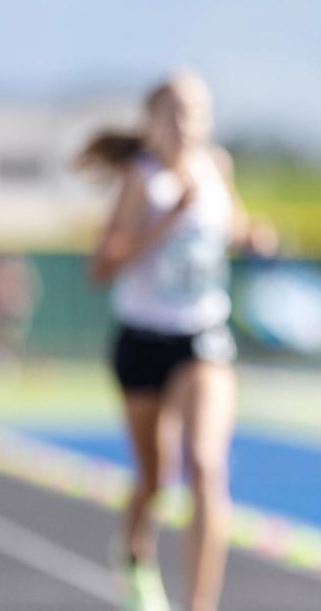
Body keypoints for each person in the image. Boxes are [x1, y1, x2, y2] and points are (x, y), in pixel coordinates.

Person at [76, 72, 276, 611]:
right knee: (154, 478)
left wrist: (253, 236)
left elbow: (232, 226)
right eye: (177, 112)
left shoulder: (217, 166)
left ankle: (200, 605)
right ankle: (134, 549)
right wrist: (165, 219)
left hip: (202, 337)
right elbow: (100, 268)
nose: (189, 122)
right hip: (142, 341)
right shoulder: (140, 179)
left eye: (198, 111)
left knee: (206, 463)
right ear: (154, 121)